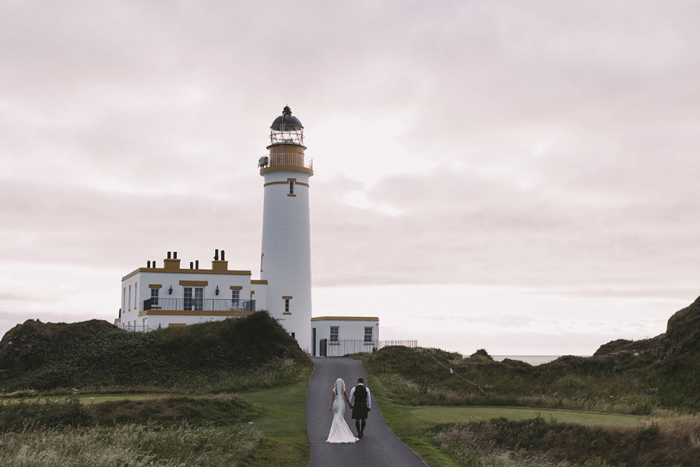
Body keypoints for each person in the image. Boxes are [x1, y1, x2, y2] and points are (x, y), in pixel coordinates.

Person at [326, 378, 358, 443]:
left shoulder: (334, 390)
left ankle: (336, 431)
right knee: (340, 417)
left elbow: (332, 399)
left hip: (336, 404)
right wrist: (350, 405)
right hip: (341, 404)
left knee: (336, 416)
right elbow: (346, 398)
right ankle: (341, 430)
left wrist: (330, 406)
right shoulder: (344, 390)